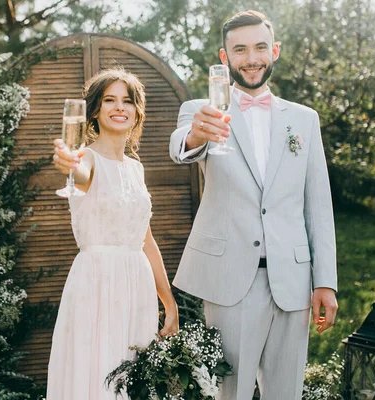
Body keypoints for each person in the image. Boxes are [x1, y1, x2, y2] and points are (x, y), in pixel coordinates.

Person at [169, 10, 338, 400]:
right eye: (240, 50)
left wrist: (325, 280)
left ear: (274, 50)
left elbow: (318, 206)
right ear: (224, 57)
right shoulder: (202, 112)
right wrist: (195, 135)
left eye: (260, 47)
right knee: (232, 392)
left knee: (287, 393)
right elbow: (182, 148)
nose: (251, 58)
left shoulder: (304, 120)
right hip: (231, 282)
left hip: (294, 282)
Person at [46, 68, 179, 400]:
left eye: (127, 101)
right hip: (97, 285)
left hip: (138, 286)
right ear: (95, 110)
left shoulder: (136, 168)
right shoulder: (88, 159)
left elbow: (144, 239)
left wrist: (169, 301)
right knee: (98, 376)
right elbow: (79, 173)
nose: (120, 108)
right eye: (110, 100)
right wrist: (69, 163)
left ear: (136, 112)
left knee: (131, 378)